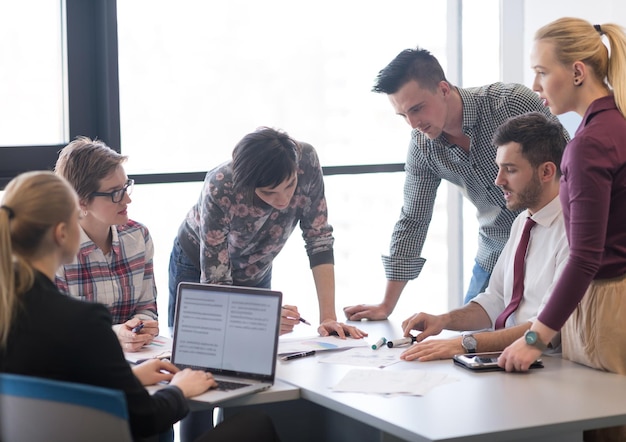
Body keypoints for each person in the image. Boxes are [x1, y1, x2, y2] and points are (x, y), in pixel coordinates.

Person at [0, 171, 280, 442]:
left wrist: (130, 377)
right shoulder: (82, 321)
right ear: (61, 233)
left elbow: (59, 389)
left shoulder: (10, 312)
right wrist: (180, 390)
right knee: (255, 425)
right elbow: (145, 419)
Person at [343, 47, 569, 321]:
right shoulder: (423, 147)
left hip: (553, 245)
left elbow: (568, 164)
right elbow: (413, 219)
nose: (413, 124)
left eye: (417, 109)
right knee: (461, 338)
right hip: (494, 256)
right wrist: (386, 305)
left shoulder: (509, 103)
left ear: (443, 89)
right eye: (403, 116)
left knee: (544, 340)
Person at [497, 17, 626, 442]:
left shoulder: (589, 144)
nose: (534, 86)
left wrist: (535, 337)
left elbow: (584, 255)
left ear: (576, 71)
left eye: (541, 71)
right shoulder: (617, 127)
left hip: (607, 309)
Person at [398, 112, 567, 361]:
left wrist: (467, 343)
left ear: (546, 172)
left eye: (510, 170)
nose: (498, 181)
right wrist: (443, 320)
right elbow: (495, 299)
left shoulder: (574, 233)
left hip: (544, 362)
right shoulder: (523, 221)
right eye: (499, 168)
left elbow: (545, 330)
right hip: (505, 358)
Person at [168, 127, 366, 339]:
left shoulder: (306, 161)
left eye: (290, 185)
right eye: (269, 192)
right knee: (199, 344)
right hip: (199, 262)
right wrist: (259, 317)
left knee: (254, 348)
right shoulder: (221, 185)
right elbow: (216, 282)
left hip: (257, 264)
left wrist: (328, 318)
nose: (283, 200)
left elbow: (319, 238)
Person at [55, 137, 158, 352]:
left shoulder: (138, 236)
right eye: (114, 193)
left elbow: (147, 307)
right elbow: (57, 331)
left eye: (126, 187)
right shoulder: (55, 251)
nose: (126, 200)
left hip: (134, 356)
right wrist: (115, 333)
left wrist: (140, 327)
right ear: (81, 201)